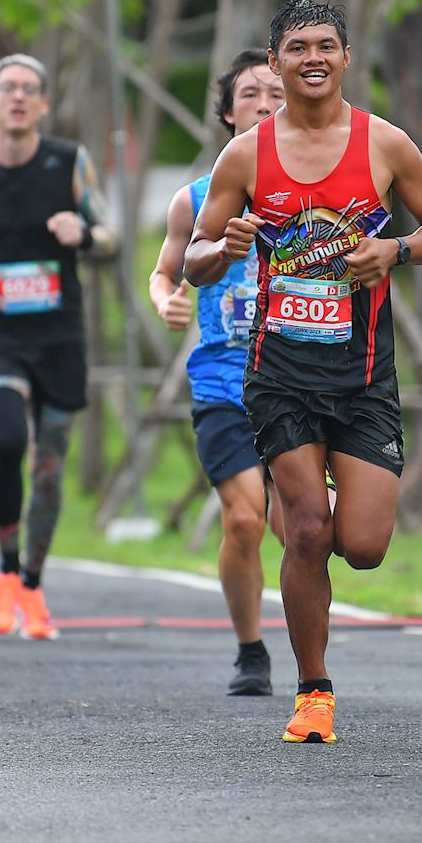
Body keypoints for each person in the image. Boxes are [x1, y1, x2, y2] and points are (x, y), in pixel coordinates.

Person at [185, 0, 422, 743]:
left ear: (345, 57)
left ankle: (324, 489)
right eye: (298, 46)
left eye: (327, 45)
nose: (314, 56)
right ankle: (314, 692)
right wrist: (226, 248)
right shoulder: (245, 156)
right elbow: (193, 258)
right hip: (278, 373)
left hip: (364, 372)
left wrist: (393, 250)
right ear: (274, 62)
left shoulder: (385, 145)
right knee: (307, 533)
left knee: (364, 545)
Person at [0, 54, 118, 641]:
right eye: (7, 88)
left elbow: (110, 235)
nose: (17, 97)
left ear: (42, 104)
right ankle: (6, 572)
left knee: (48, 468)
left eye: (29, 89)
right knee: (8, 438)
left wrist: (83, 234)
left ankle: (32, 586)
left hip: (58, 334)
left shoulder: (69, 162)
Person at [149, 50, 284, 695]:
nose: (266, 102)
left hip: (300, 381)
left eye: (277, 93)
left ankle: (314, 660)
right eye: (252, 93)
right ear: (228, 113)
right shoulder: (195, 199)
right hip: (223, 381)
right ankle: (251, 650)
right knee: (244, 519)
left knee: (305, 530)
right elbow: (164, 271)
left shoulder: (324, 193)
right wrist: (167, 300)